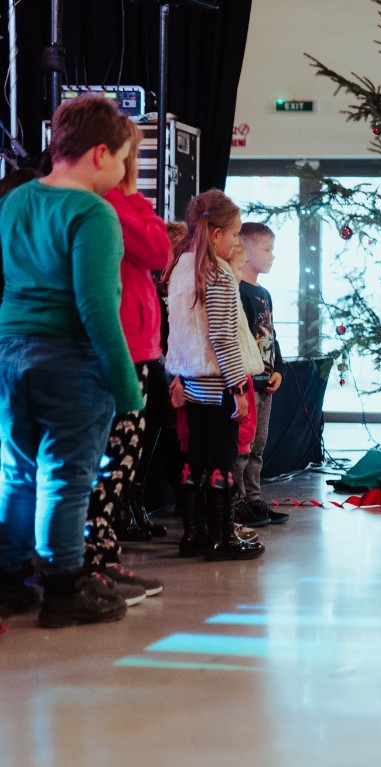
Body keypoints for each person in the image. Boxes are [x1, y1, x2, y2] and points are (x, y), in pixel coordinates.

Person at [0, 95, 139, 627]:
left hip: (10, 353)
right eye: (123, 158)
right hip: (69, 360)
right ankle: (63, 589)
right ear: (100, 153)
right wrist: (126, 386)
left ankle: (9, 582)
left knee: (17, 473)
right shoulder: (93, 213)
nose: (123, 171)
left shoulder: (16, 200)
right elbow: (97, 305)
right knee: (66, 476)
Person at [80, 117, 172, 602]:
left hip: (133, 346)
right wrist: (133, 194)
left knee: (119, 463)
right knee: (111, 462)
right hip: (120, 348)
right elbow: (158, 250)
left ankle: (104, 554)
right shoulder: (110, 206)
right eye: (127, 156)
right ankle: (91, 562)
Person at [163, 189, 265, 560]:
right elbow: (221, 336)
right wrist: (238, 387)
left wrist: (177, 376)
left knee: (195, 457)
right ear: (217, 233)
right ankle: (222, 537)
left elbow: (180, 331)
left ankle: (194, 534)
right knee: (223, 459)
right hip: (218, 384)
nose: (237, 241)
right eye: (235, 233)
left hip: (191, 382)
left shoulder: (181, 267)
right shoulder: (217, 272)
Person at [231, 222, 289, 528]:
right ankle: (236, 502)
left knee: (259, 445)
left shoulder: (264, 293)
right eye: (267, 249)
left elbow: (270, 335)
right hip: (246, 382)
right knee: (243, 444)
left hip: (265, 382)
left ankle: (254, 500)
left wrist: (278, 368)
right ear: (247, 252)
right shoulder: (237, 290)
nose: (273, 256)